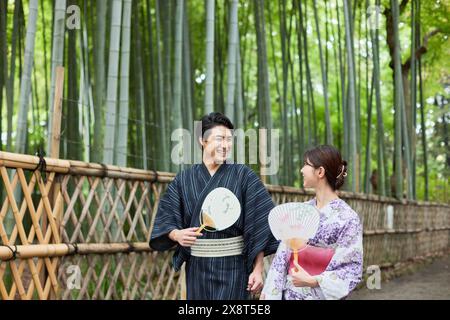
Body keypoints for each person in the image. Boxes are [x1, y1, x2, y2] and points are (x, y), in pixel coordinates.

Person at [150, 112, 279, 300]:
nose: (225, 145)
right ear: (203, 141)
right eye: (220, 139)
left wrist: (258, 269)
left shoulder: (244, 176)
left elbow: (259, 226)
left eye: (229, 140)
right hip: (197, 268)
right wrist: (177, 234)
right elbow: (166, 217)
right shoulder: (184, 180)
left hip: (235, 267)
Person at [261, 145, 363, 300]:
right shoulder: (300, 212)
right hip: (290, 294)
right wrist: (269, 293)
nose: (302, 170)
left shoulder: (348, 217)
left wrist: (314, 280)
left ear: (320, 172)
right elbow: (282, 257)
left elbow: (352, 268)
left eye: (306, 165)